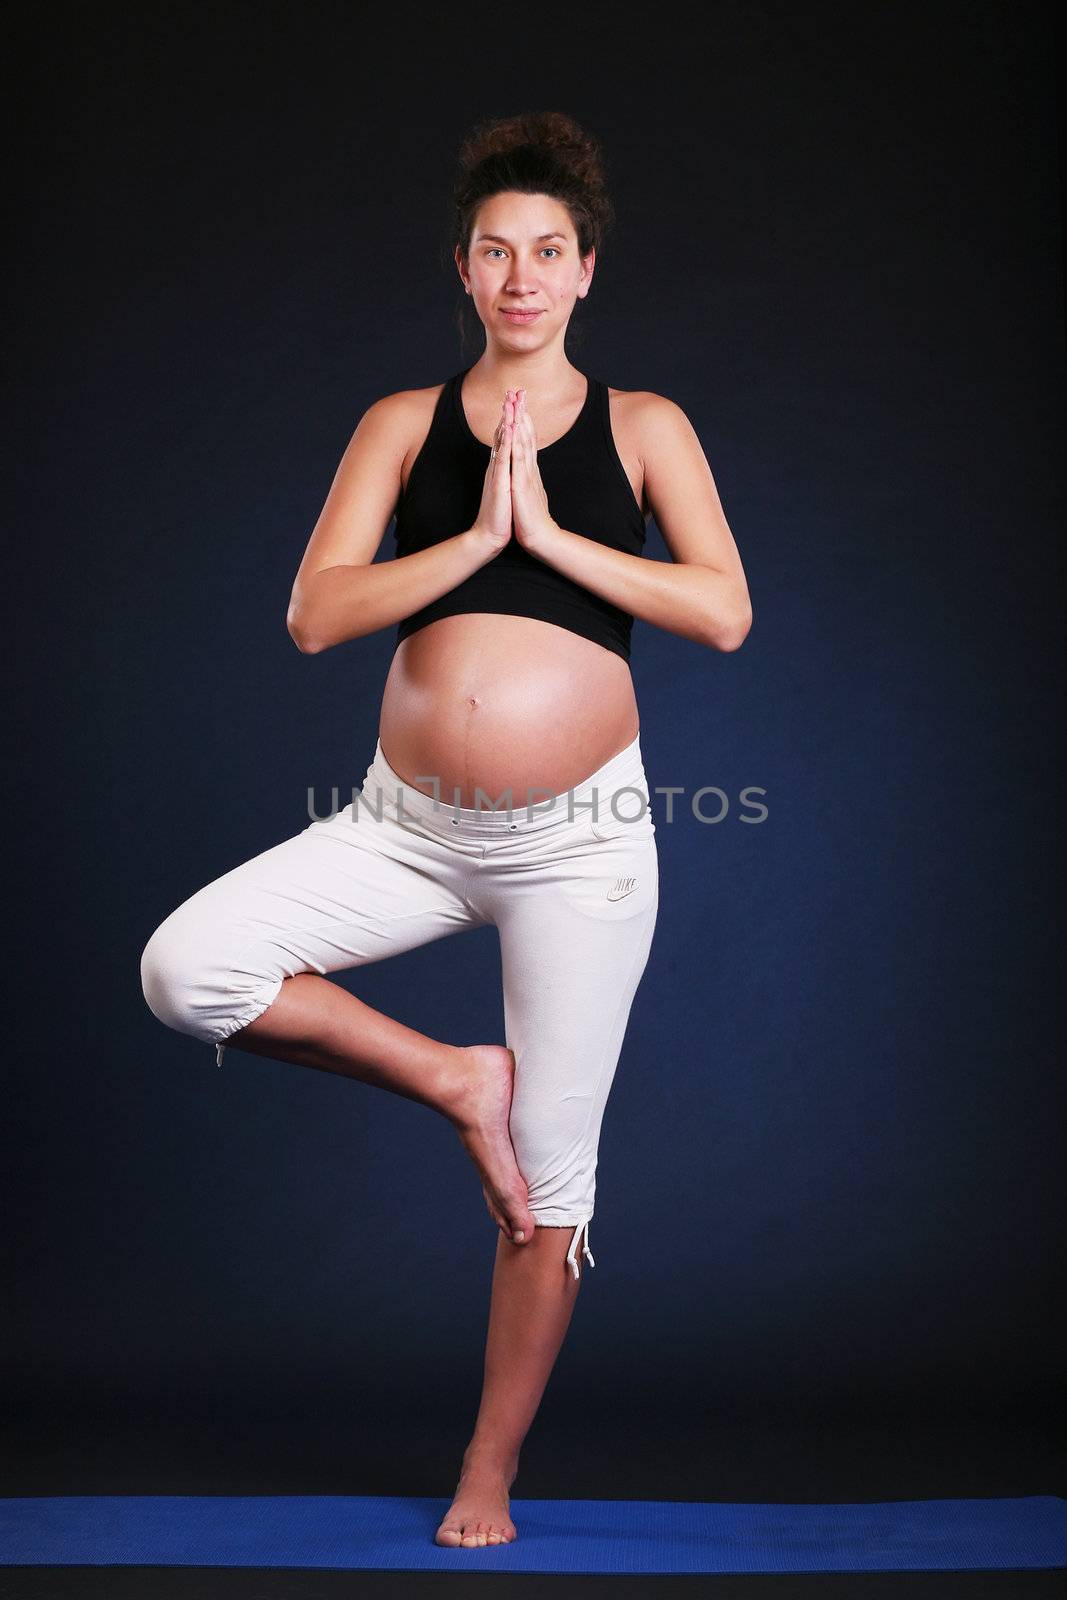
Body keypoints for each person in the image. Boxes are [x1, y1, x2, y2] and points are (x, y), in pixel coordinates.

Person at [139, 109, 752, 1550]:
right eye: (497, 253)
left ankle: (489, 1472)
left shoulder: (646, 428)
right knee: (186, 970)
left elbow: (722, 610)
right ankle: (451, 1080)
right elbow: (313, 615)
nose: (523, 275)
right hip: (400, 827)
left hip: (580, 842)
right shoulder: (402, 425)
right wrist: (473, 541)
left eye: (550, 251)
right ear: (465, 274)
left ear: (586, 271)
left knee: (550, 1186)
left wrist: (552, 540)